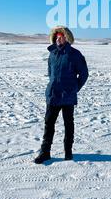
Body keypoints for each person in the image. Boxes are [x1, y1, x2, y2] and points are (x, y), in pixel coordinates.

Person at [34, 26, 89, 164]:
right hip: (53, 94)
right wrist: (53, 84)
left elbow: (84, 74)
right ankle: (45, 152)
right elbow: (50, 72)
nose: (58, 38)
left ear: (67, 38)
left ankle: (68, 152)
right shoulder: (52, 54)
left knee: (68, 124)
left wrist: (74, 88)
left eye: (61, 36)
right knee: (49, 124)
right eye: (57, 36)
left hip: (68, 95)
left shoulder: (75, 54)